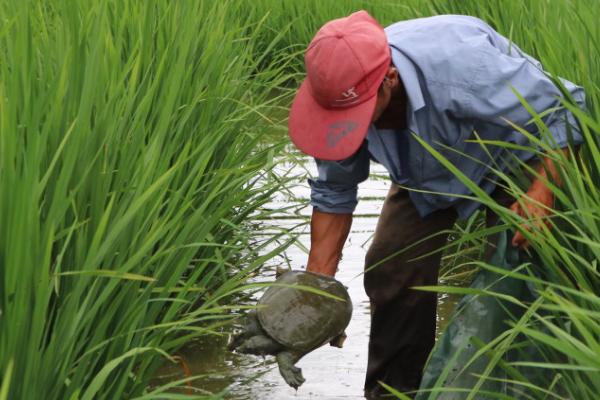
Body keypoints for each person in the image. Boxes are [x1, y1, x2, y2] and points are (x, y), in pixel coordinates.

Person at [287, 10, 585, 399]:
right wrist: (317, 288)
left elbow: (565, 107)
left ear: (388, 81)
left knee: (512, 274)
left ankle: (507, 387)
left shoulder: (467, 68)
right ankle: (394, 392)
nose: (341, 124)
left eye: (353, 115)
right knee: (391, 267)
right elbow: (334, 194)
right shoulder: (335, 100)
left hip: (511, 157)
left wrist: (542, 194)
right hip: (424, 172)